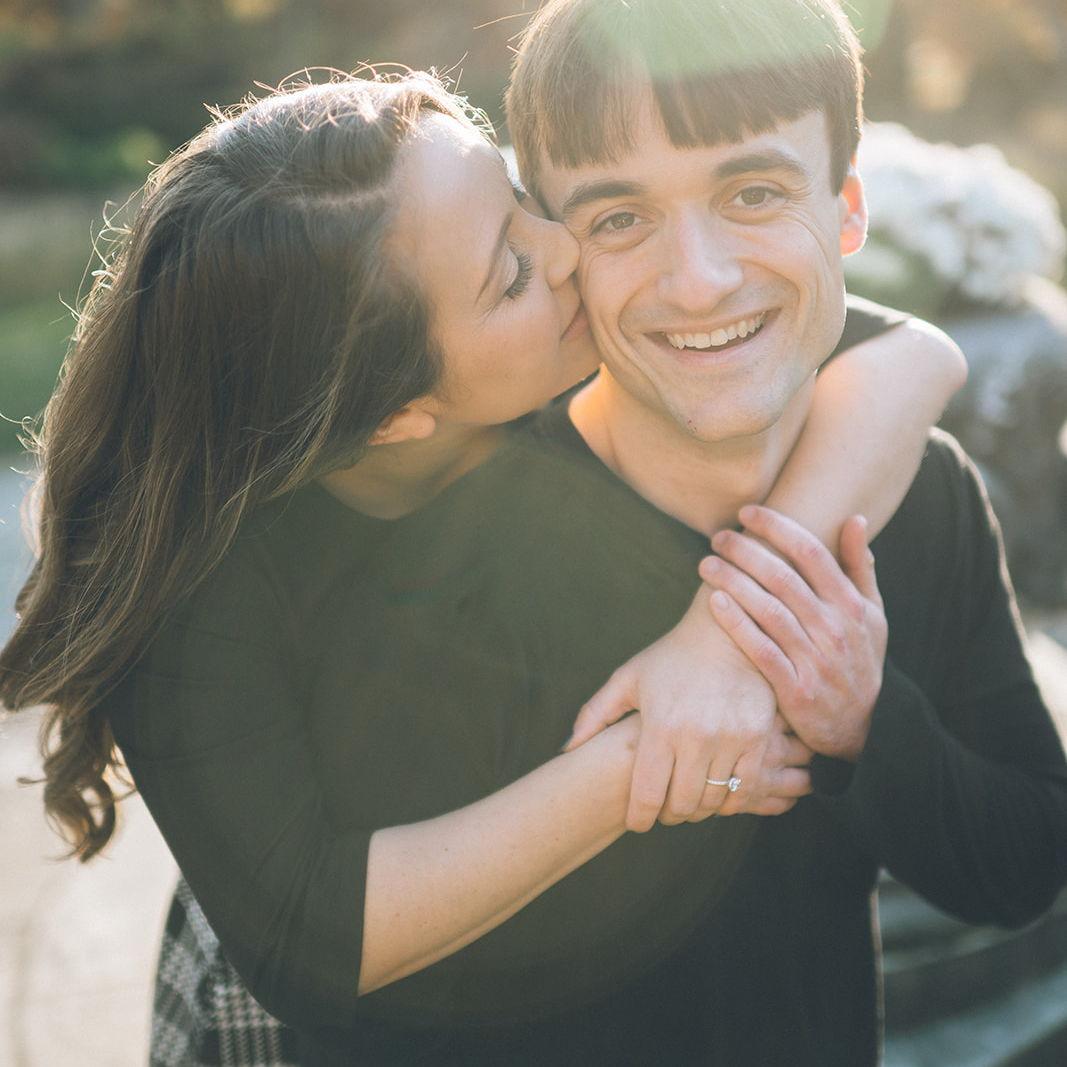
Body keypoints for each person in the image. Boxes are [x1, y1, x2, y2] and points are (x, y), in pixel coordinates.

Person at [0, 65, 964, 1066]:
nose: (563, 249)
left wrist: (717, 637)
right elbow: (310, 935)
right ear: (393, 413)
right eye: (508, 271)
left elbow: (911, 358)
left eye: (515, 197)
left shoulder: (577, 366)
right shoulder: (198, 592)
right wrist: (644, 754)